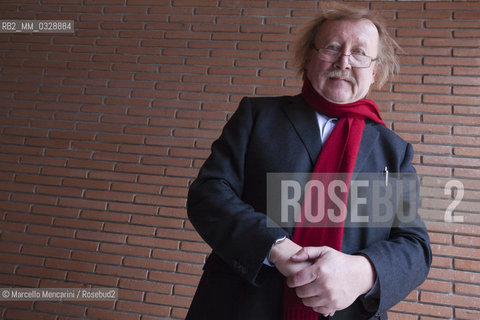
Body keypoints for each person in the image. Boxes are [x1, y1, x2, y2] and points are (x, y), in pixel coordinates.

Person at [185, 3, 432, 320]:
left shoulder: (394, 151)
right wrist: (274, 245)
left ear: (373, 70)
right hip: (239, 306)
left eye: (359, 53)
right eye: (332, 47)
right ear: (310, 56)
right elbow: (208, 193)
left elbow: (414, 245)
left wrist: (363, 272)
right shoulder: (257, 116)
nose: (343, 61)